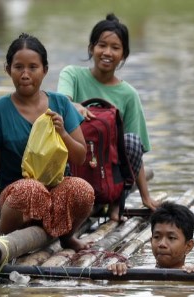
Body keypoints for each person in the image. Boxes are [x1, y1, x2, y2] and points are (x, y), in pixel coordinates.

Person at [0, 33, 94, 252]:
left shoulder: (61, 104)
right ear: (8, 70)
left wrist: (63, 134)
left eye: (33, 67)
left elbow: (80, 156)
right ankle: (4, 234)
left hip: (56, 194)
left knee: (82, 189)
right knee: (32, 189)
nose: (25, 74)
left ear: (45, 70)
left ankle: (67, 237)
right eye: (18, 67)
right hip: (18, 199)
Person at [57, 13, 160, 221]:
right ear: (91, 48)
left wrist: (145, 196)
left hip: (108, 175)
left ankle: (115, 205)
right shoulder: (72, 75)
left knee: (131, 141)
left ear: (123, 55)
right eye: (102, 45)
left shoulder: (128, 94)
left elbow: (135, 152)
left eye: (115, 48)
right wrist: (74, 105)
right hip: (75, 165)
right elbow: (61, 103)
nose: (107, 52)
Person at [107, 202, 194, 275]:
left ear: (188, 246)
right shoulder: (136, 273)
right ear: (151, 241)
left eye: (171, 238)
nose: (162, 244)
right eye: (157, 237)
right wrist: (118, 272)